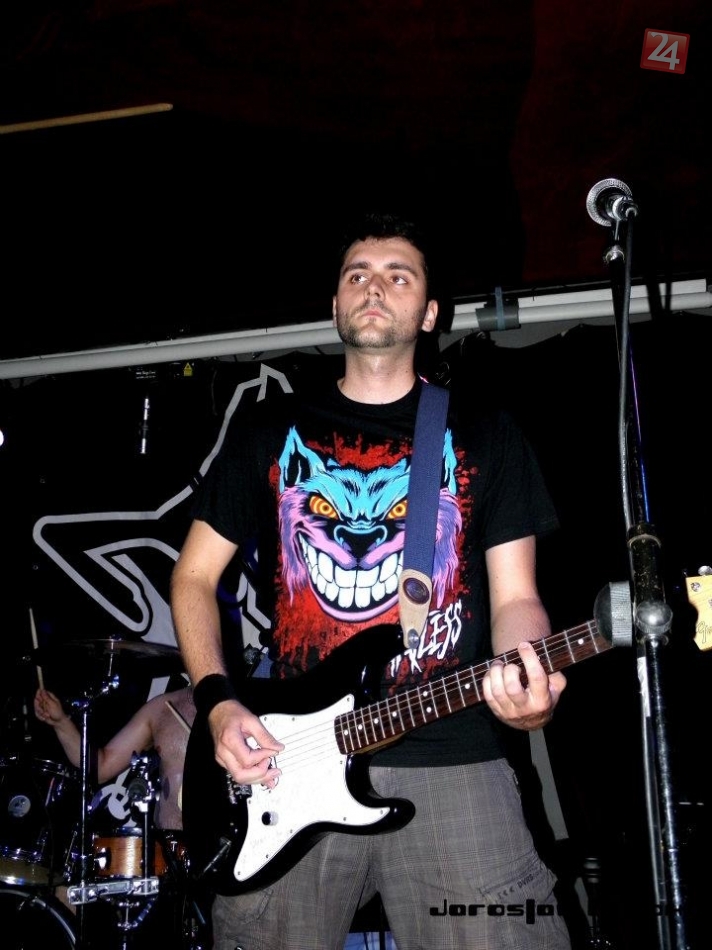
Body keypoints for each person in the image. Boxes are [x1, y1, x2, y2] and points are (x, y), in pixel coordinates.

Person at [169, 211, 571, 950]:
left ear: (430, 312)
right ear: (335, 305)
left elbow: (517, 598)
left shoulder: (486, 433)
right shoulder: (268, 429)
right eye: (358, 275)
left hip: (456, 754)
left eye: (398, 276)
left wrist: (527, 680)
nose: (375, 287)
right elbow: (194, 577)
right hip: (288, 766)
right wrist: (219, 704)